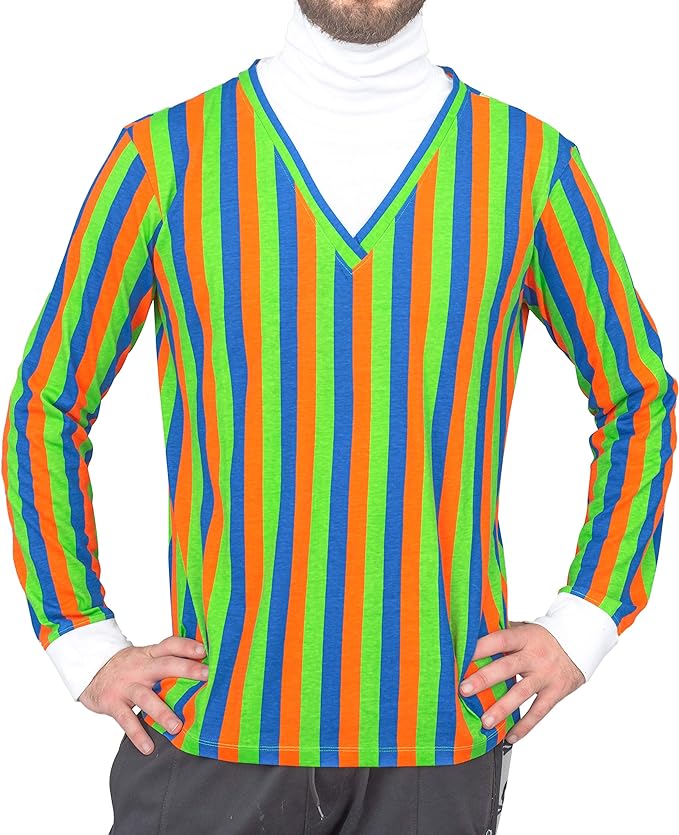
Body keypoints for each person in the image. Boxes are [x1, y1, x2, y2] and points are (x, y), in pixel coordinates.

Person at [2, 0, 676, 832]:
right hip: (213, 724)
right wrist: (79, 636)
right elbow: (49, 402)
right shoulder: (165, 156)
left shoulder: (527, 166)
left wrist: (587, 619)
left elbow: (637, 395)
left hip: (437, 732)